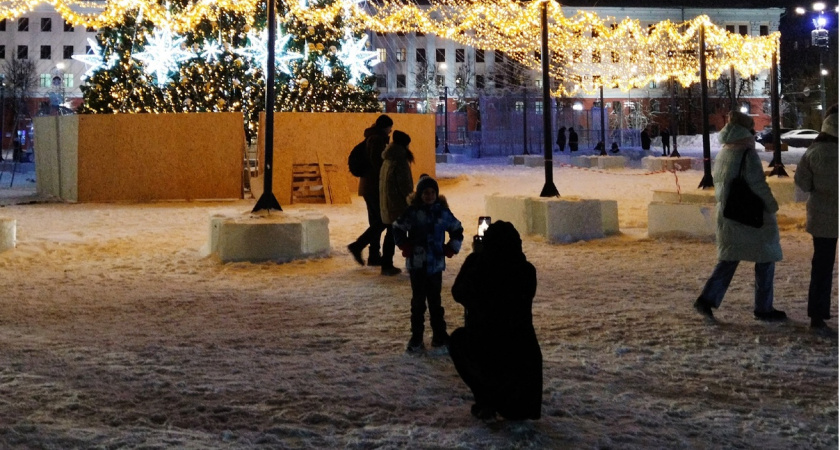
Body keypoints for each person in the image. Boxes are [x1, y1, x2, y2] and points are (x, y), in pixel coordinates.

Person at [693, 111, 786, 322]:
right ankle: (763, 308)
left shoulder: (725, 151)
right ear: (747, 130)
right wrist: (771, 205)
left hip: (729, 212)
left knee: (729, 258)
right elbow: (758, 185)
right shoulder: (747, 153)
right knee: (766, 258)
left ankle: (707, 299)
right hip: (752, 215)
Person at [449, 221, 542, 421]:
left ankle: (487, 401)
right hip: (524, 378)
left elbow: (459, 293)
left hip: (490, 353)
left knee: (459, 341)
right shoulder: (526, 270)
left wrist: (476, 257)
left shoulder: (482, 268)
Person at [393, 175, 464, 352]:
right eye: (426, 192)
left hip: (435, 265)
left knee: (435, 301)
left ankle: (439, 335)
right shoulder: (413, 212)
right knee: (418, 302)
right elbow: (398, 228)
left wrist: (451, 248)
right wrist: (405, 246)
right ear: (420, 194)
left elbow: (457, 229)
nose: (429, 196)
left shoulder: (443, 212)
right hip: (417, 264)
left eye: (432, 192)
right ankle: (416, 337)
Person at [794, 105, 838, 330]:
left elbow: (802, 182)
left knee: (822, 266)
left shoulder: (814, 151)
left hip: (822, 217)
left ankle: (817, 314)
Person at [348, 114, 392, 267]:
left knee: (376, 221)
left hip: (369, 186)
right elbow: (377, 162)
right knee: (383, 221)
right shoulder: (377, 140)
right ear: (384, 127)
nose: (390, 131)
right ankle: (358, 246)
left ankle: (373, 255)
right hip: (374, 186)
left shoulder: (372, 137)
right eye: (389, 128)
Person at [379, 130, 415, 276]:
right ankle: (388, 265)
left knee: (390, 232)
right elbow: (404, 185)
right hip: (397, 204)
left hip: (388, 202)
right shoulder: (400, 160)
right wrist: (411, 201)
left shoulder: (388, 158)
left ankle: (386, 263)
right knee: (395, 234)